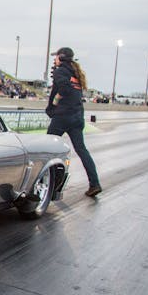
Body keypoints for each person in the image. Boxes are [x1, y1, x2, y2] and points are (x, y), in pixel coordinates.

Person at [46, 47, 102, 197]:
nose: (54, 59)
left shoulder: (61, 71)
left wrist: (54, 104)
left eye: (56, 57)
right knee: (82, 150)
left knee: (47, 148)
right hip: (77, 116)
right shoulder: (75, 72)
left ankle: (48, 185)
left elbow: (63, 90)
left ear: (61, 57)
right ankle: (95, 184)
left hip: (63, 116)